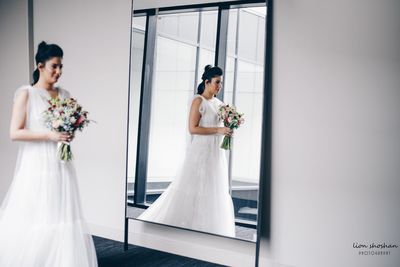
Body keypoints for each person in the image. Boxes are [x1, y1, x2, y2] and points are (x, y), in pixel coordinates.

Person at [0, 41, 98, 266]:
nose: (59, 71)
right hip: (36, 164)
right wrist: (50, 136)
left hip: (60, 164)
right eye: (54, 66)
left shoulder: (64, 94)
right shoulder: (27, 94)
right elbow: (15, 133)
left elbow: (64, 126)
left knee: (61, 212)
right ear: (40, 65)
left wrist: (67, 135)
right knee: (38, 214)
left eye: (61, 66)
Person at [138, 65, 236, 237]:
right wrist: (219, 130)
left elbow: (220, 125)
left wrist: (228, 128)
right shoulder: (198, 101)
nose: (219, 86)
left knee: (213, 188)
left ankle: (208, 229)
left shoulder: (220, 104)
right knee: (195, 185)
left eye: (220, 83)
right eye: (217, 82)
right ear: (207, 82)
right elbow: (193, 128)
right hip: (201, 151)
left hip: (216, 152)